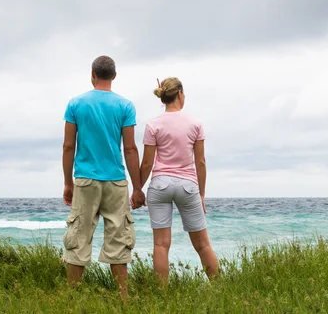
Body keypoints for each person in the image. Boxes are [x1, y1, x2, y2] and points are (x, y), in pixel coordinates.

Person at [61, 55, 146, 298]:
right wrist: (138, 188)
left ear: (92, 74)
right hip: (116, 181)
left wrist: (68, 183)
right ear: (114, 76)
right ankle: (123, 299)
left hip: (85, 180)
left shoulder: (75, 104)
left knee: (79, 237)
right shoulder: (125, 106)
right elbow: (130, 149)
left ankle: (71, 298)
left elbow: (68, 146)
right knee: (119, 239)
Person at [139, 77, 219, 282]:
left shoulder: (153, 125)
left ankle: (162, 296)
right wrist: (201, 193)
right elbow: (200, 162)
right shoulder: (195, 124)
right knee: (202, 245)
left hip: (160, 184)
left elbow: (147, 163)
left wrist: (137, 189)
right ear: (180, 94)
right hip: (187, 185)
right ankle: (220, 289)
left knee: (161, 245)